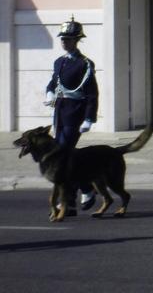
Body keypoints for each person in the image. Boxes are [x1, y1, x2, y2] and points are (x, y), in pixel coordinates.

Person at [44, 16, 99, 215]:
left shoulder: (85, 64)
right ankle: (77, 197)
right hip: (60, 113)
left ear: (77, 40)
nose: (64, 42)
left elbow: (92, 94)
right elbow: (52, 83)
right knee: (64, 159)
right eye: (63, 38)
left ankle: (78, 194)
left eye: (68, 39)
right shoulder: (59, 62)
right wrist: (49, 93)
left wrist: (89, 118)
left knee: (63, 157)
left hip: (75, 115)